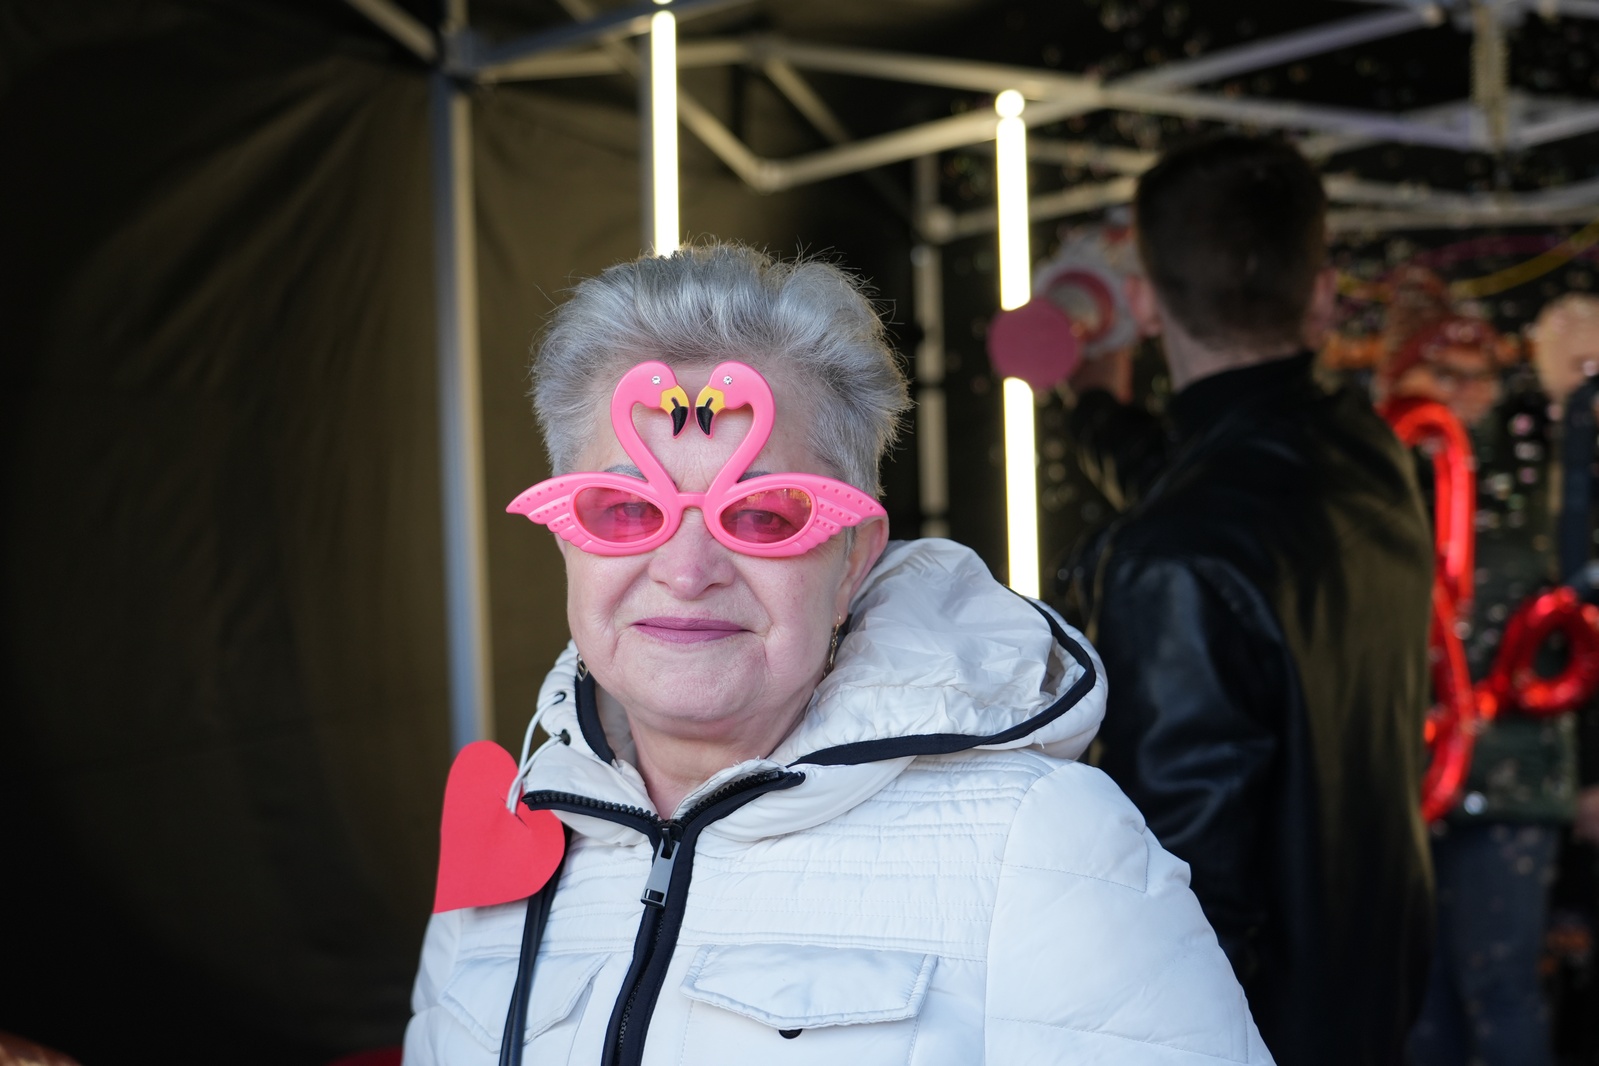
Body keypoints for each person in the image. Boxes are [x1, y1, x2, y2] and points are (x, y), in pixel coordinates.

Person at [403, 243, 1272, 1065]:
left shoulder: (1044, 845)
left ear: (851, 559)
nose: (686, 571)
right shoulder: (510, 836)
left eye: (762, 515)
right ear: (567, 538)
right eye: (626, 510)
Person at [1063, 137, 1436, 1065]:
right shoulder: (1371, 453)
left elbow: (1185, 899)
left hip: (1257, 1030)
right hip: (1370, 988)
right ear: (1323, 294)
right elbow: (1214, 483)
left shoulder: (1173, 559)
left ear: (1143, 303)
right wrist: (1092, 405)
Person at [1398, 284, 1599, 1066]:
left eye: (1478, 374)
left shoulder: (1539, 477)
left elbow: (1576, 624)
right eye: (1443, 373)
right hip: (1405, 780)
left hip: (1514, 776)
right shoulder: (1379, 481)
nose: (1464, 393)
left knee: (1500, 987)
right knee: (1420, 997)